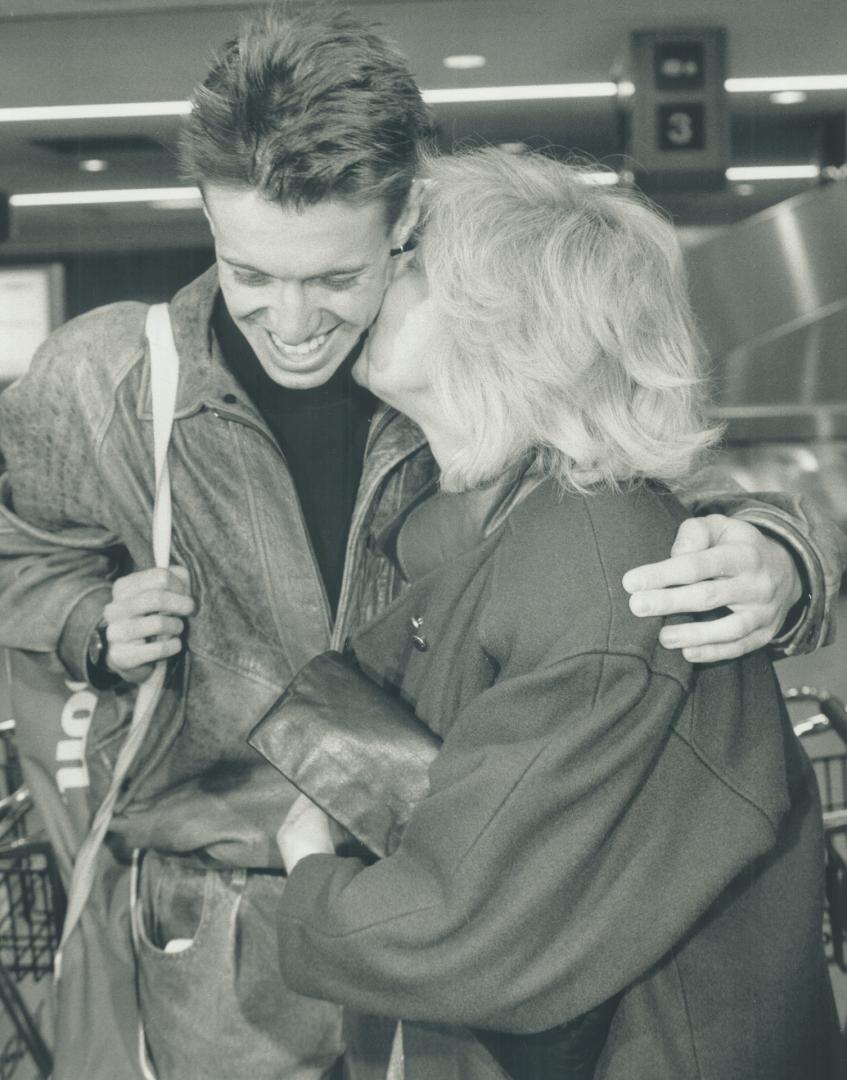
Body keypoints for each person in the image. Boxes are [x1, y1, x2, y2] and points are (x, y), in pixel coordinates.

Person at [0, 7, 842, 1079]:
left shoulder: (468, 356)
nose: (295, 321)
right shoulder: (102, 383)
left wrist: (781, 556)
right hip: (226, 928)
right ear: (206, 215)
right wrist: (88, 625)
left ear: (405, 226)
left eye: (335, 279)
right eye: (250, 272)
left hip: (463, 903)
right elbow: (23, 558)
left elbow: (676, 483)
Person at [259, 148, 841, 1080]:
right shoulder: (498, 502)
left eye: (406, 259)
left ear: (504, 319)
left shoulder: (595, 560)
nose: (363, 283)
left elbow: (462, 926)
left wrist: (308, 873)